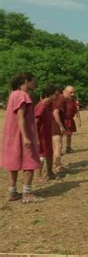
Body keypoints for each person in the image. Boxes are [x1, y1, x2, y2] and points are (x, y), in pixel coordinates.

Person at [1, 72, 43, 203]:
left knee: (13, 162)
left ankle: (12, 192)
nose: (34, 83)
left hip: (11, 135)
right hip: (21, 135)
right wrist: (26, 137)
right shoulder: (22, 95)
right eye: (33, 81)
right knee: (29, 162)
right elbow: (20, 117)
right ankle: (27, 194)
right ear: (26, 81)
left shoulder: (13, 94)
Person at [34, 85, 61, 183]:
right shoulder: (41, 106)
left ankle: (50, 172)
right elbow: (35, 122)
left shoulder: (49, 105)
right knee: (42, 156)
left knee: (49, 153)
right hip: (40, 136)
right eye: (56, 95)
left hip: (47, 134)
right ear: (49, 95)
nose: (57, 97)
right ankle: (38, 176)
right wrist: (36, 138)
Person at [52, 86, 75, 172]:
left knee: (56, 145)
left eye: (73, 92)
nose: (72, 94)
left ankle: (57, 164)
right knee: (58, 145)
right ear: (65, 91)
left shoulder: (62, 99)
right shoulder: (61, 99)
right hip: (55, 124)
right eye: (71, 92)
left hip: (55, 124)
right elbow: (55, 113)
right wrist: (61, 126)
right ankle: (58, 166)